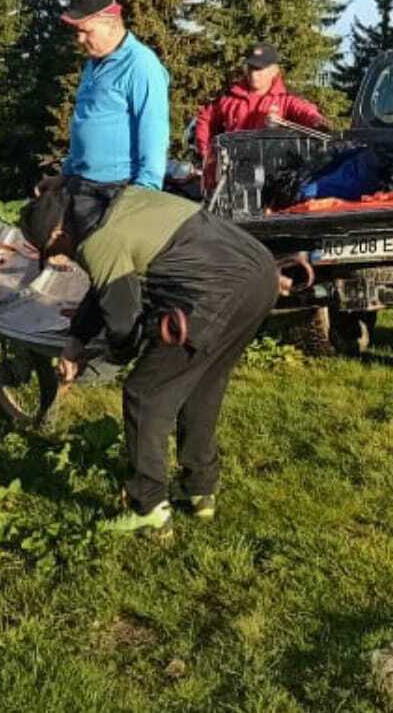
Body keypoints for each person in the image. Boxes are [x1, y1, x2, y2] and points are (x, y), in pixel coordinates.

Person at [21, 180, 282, 533]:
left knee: (145, 393)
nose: (58, 258)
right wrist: (77, 341)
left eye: (52, 250)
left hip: (212, 292)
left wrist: (108, 358)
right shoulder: (118, 202)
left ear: (57, 232)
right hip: (260, 274)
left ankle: (148, 507)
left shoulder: (98, 239)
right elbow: (107, 288)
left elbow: (123, 318)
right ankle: (198, 490)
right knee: (203, 383)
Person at [58, 0, 171, 239]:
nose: (79, 39)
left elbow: (154, 131)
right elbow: (87, 119)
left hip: (116, 191)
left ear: (110, 24)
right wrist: (65, 173)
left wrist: (144, 193)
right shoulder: (94, 62)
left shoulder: (141, 65)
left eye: (87, 31)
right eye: (77, 31)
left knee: (106, 265)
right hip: (82, 184)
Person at [191, 42, 329, 189]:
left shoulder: (287, 98)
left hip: (271, 182)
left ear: (274, 70)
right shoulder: (229, 97)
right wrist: (207, 153)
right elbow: (205, 118)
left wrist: (317, 122)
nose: (253, 74)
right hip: (230, 182)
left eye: (259, 69)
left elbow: (306, 113)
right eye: (250, 68)